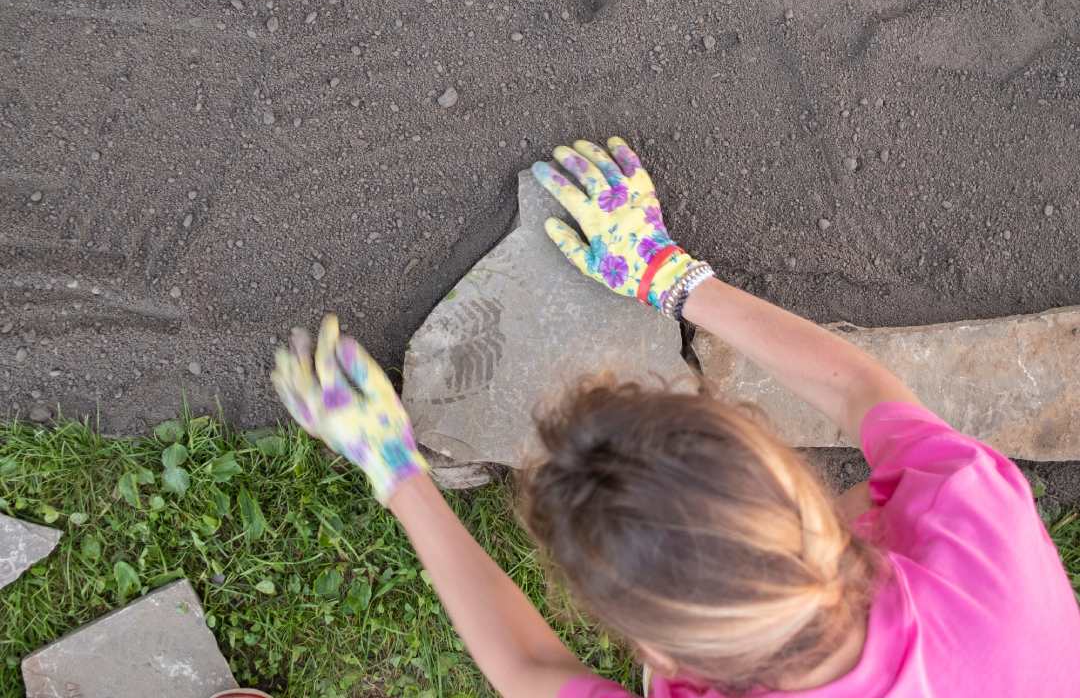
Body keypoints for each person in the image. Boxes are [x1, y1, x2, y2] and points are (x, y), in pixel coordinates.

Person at [269, 136, 1080, 697]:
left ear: (658, 657)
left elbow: (528, 671)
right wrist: (674, 277)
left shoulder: (974, 512)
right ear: (782, 473)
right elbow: (863, 390)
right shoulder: (975, 519)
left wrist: (398, 471)